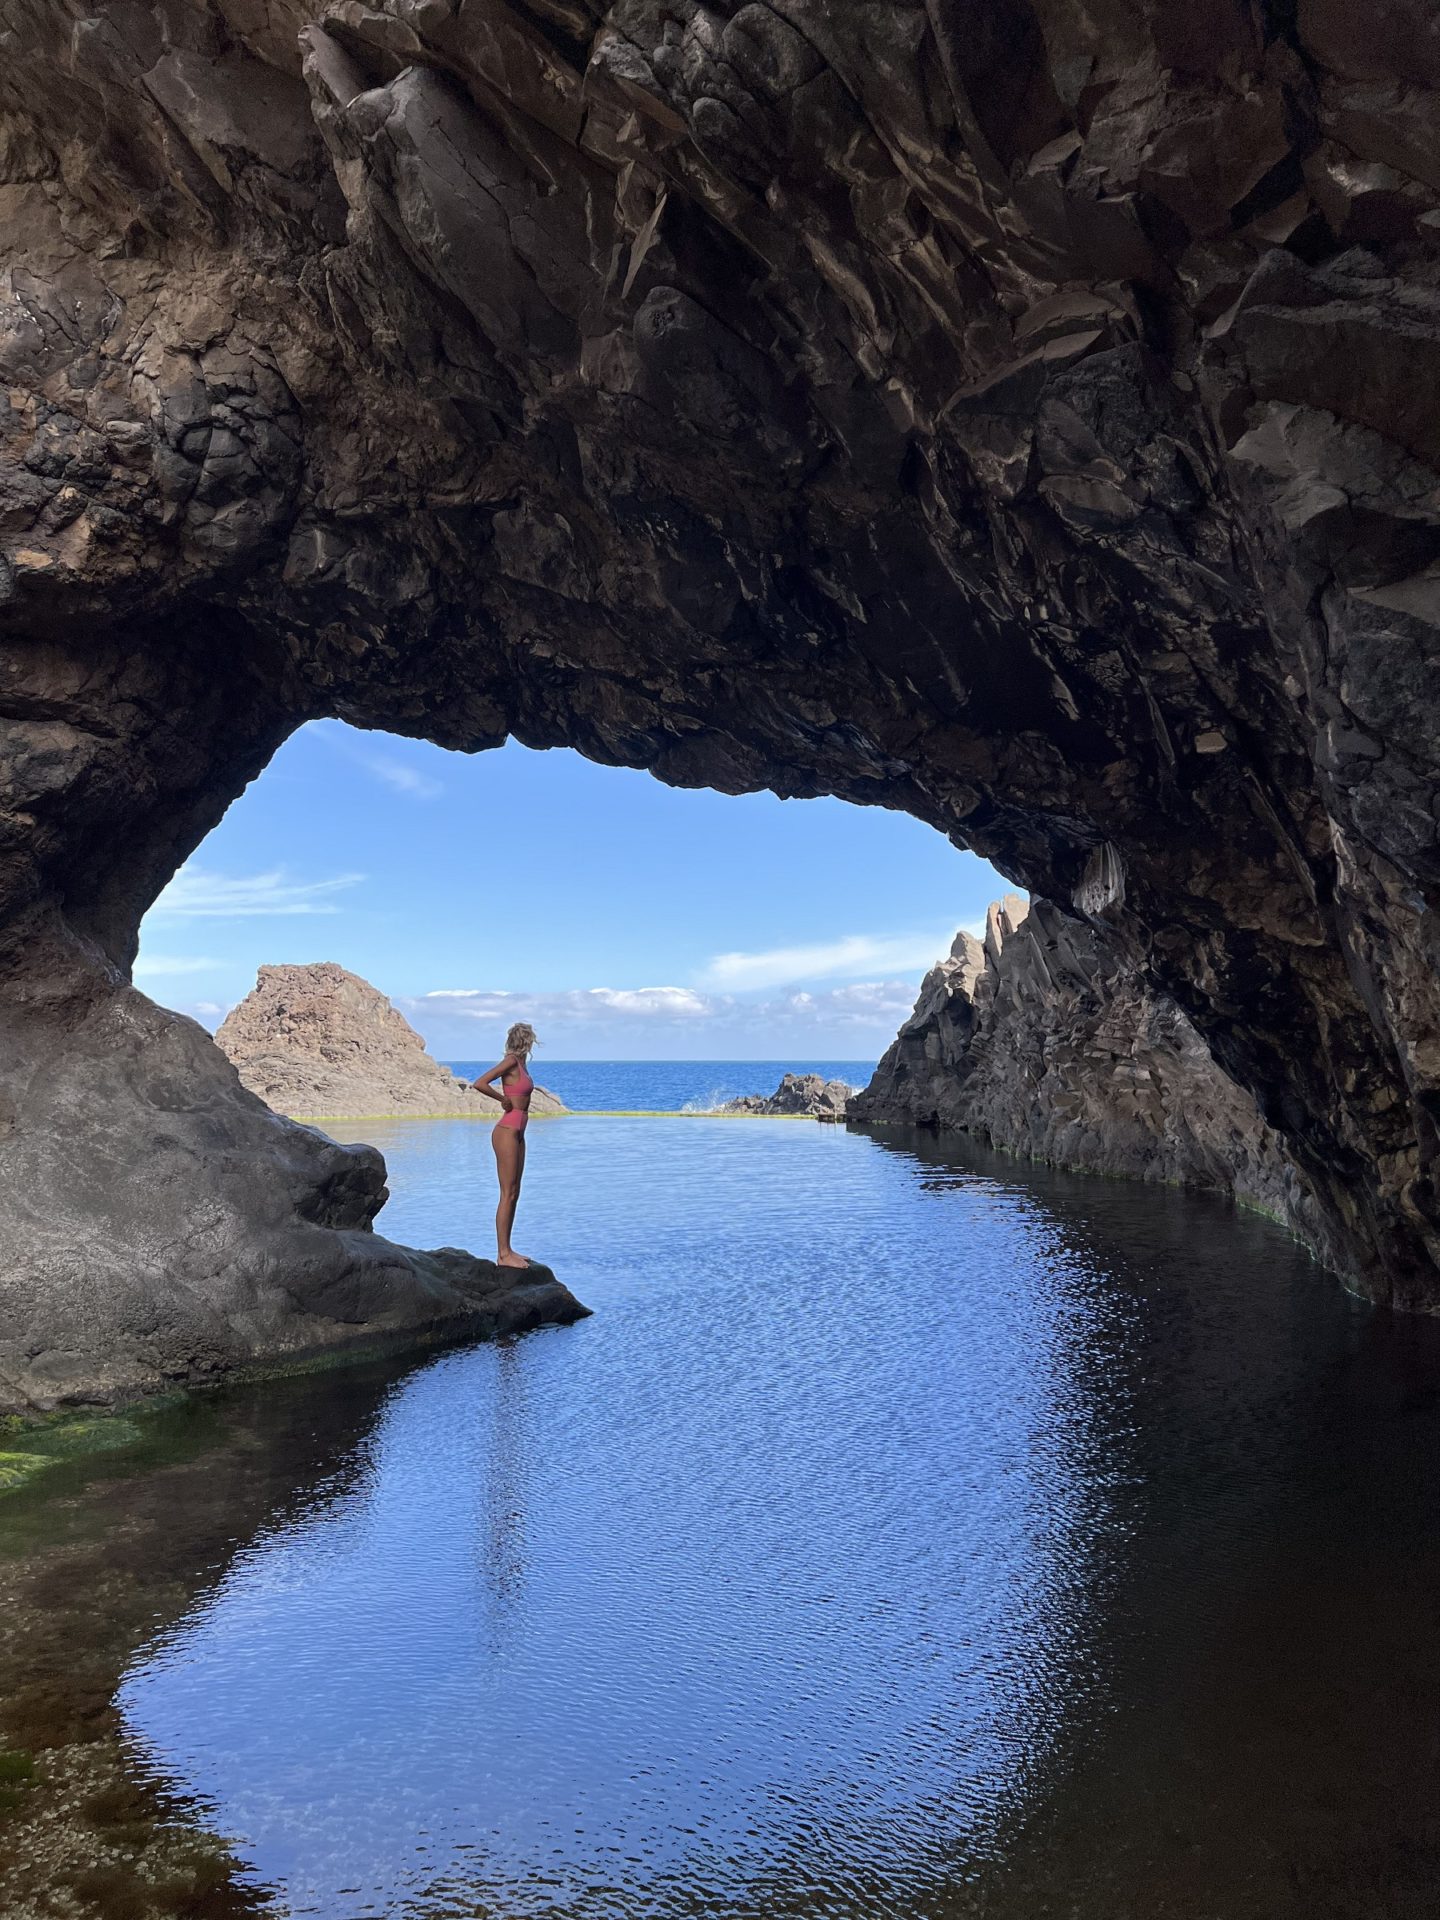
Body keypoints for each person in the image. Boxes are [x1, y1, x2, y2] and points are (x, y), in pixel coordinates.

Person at [469, 1022, 538, 1268]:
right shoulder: (510, 1061)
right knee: (507, 1193)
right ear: (525, 1040)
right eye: (527, 1038)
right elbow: (480, 1083)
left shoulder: (521, 1064)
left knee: (515, 1193)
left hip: (519, 1132)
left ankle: (509, 1249)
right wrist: (503, 1100)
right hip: (506, 1131)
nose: (528, 1043)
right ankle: (502, 1255)